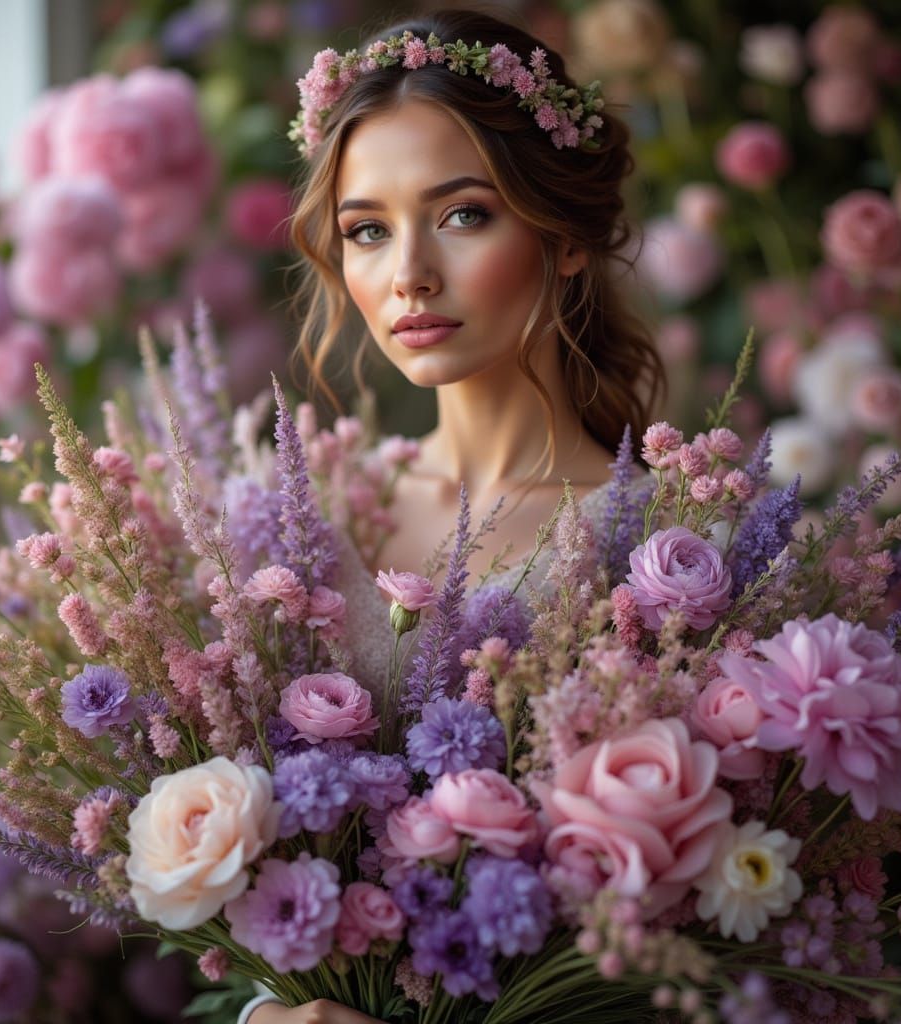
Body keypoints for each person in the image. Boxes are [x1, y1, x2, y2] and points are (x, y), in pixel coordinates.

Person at [242, 8, 664, 1023]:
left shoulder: (668, 552)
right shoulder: (309, 523)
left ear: (562, 237)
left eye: (463, 213)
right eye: (367, 230)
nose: (408, 275)